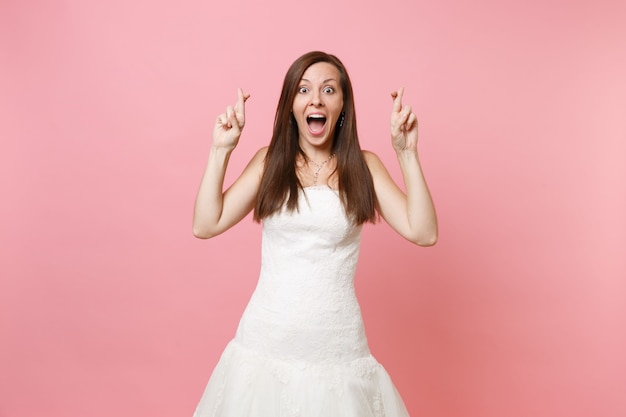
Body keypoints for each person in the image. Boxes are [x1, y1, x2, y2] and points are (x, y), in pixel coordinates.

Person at [192, 51, 437, 417]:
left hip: (337, 349)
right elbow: (205, 224)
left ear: (342, 104)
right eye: (303, 90)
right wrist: (220, 150)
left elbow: (423, 231)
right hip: (265, 346)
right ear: (291, 104)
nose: (316, 99)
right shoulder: (269, 162)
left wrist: (407, 153)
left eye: (328, 89)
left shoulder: (363, 166)